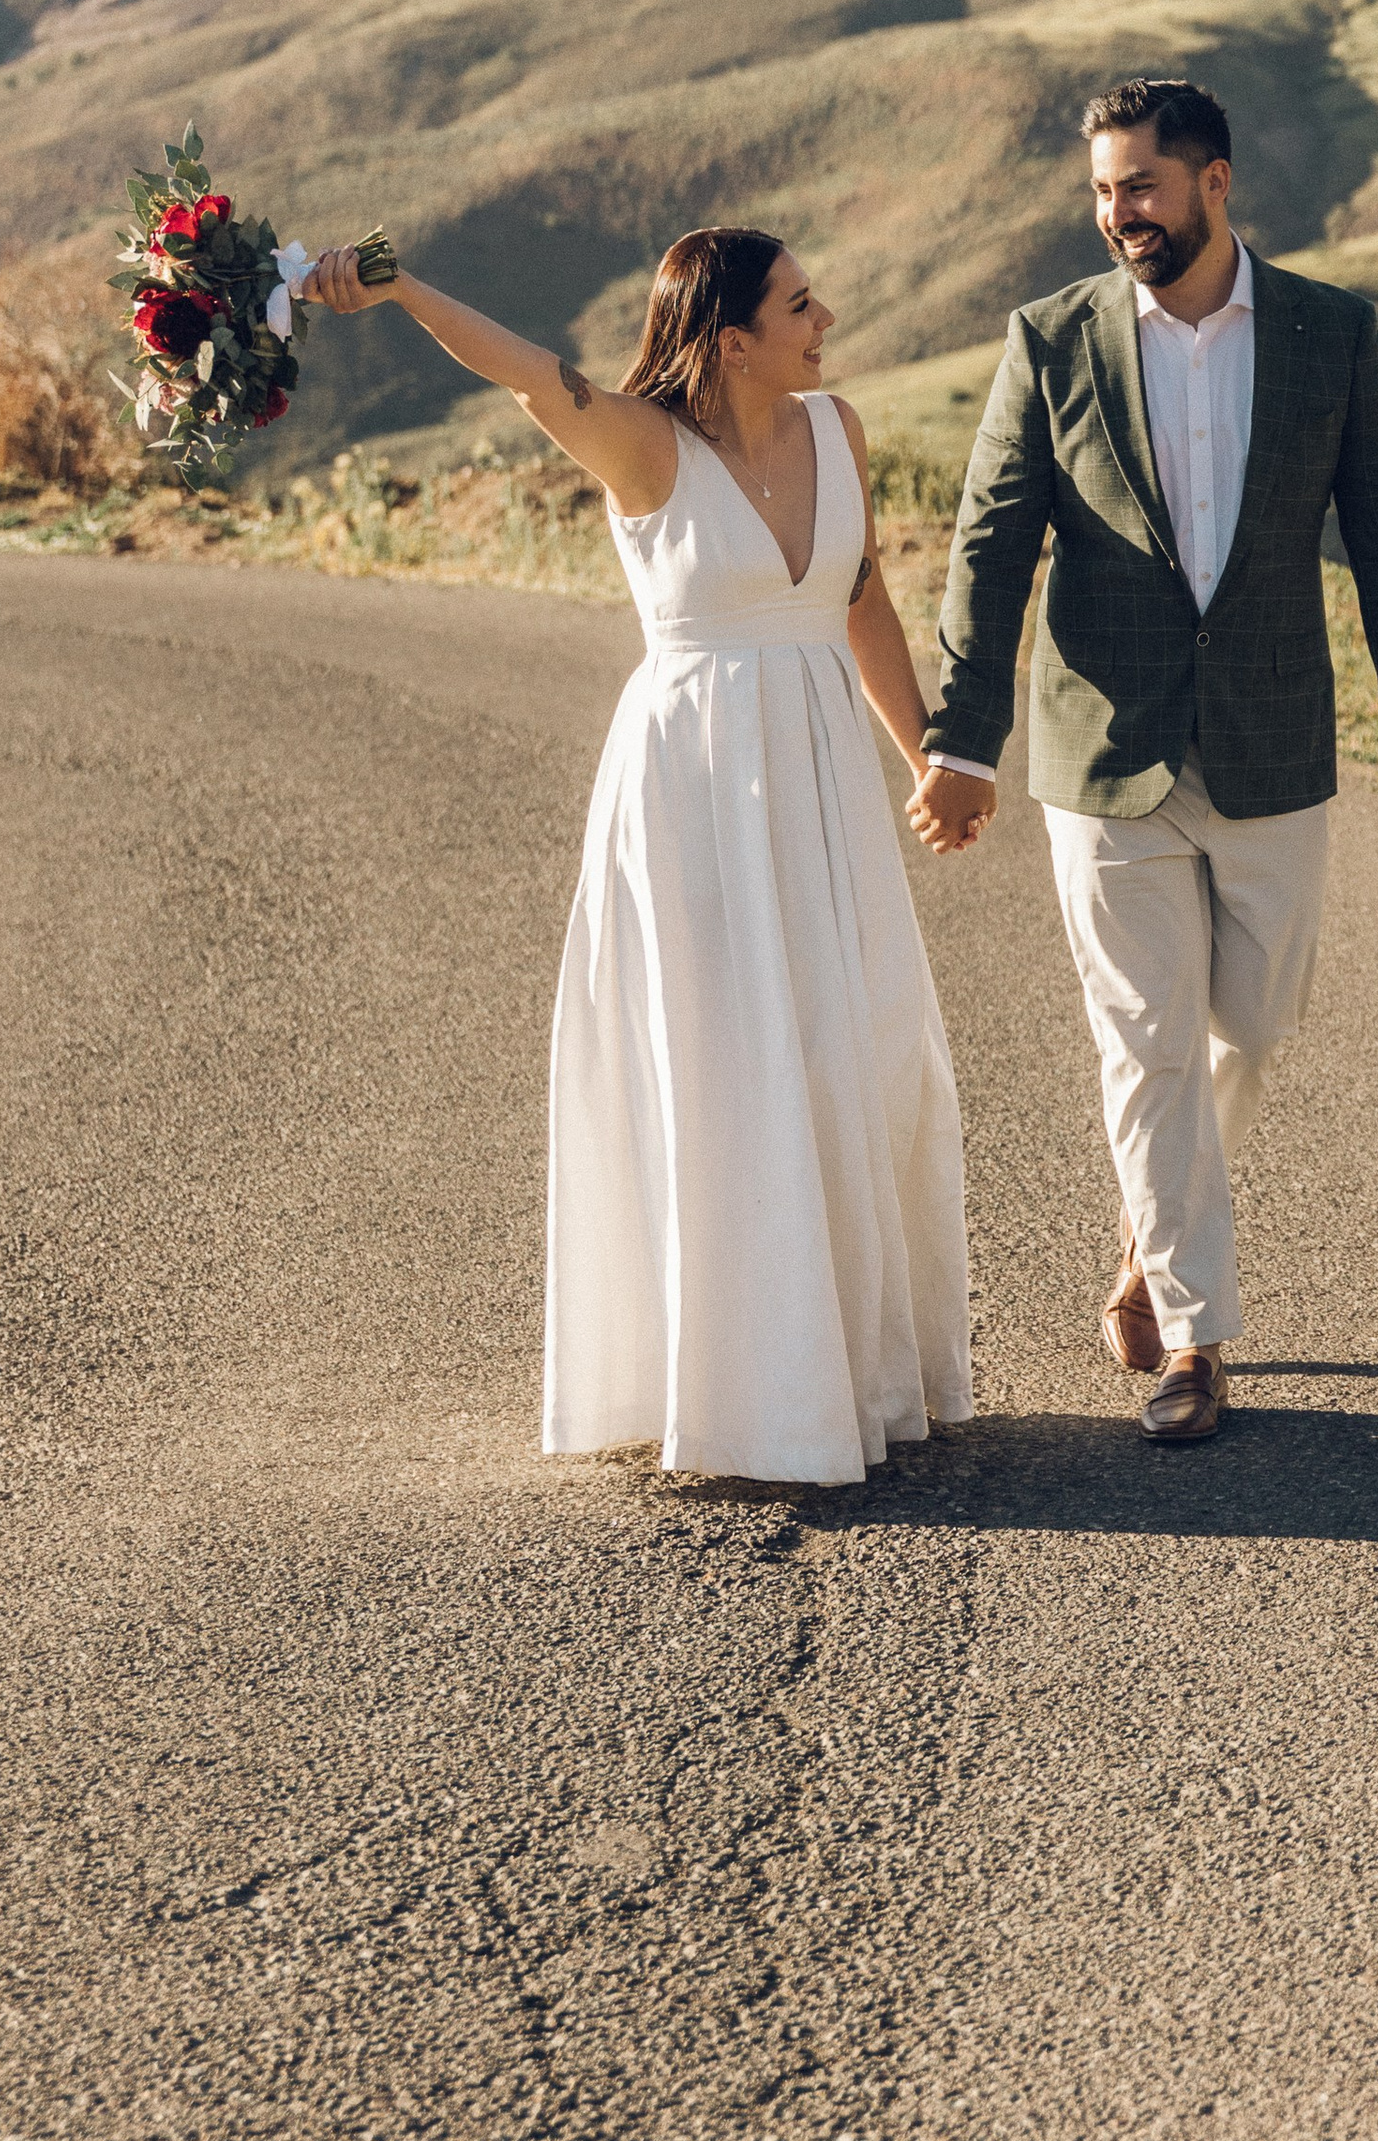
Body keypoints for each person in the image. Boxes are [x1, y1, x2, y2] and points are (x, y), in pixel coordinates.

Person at [310, 226, 972, 1486]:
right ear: (730, 340)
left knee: (856, 1042)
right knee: (721, 1058)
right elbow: (522, 369)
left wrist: (926, 754)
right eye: (797, 304)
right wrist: (396, 288)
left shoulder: (840, 431)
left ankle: (855, 1369)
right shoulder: (643, 448)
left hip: (824, 770)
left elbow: (864, 596)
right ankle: (737, 1389)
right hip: (694, 785)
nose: (824, 314)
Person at [907, 73, 1378, 1448]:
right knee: (1146, 1045)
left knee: (1249, 1028)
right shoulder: (1052, 340)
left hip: (1274, 746)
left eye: (1139, 187)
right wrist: (960, 743)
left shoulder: (1331, 334)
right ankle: (1196, 1342)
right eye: (1102, 191)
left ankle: (1148, 1239)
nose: (1117, 215)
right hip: (1103, 752)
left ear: (1215, 184)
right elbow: (990, 549)